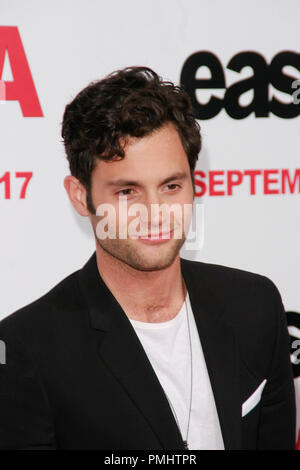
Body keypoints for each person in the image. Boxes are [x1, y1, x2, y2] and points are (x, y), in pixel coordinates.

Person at [0, 66, 296, 450]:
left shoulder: (255, 307)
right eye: (127, 192)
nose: (155, 212)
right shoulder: (28, 352)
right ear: (79, 195)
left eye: (171, 186)